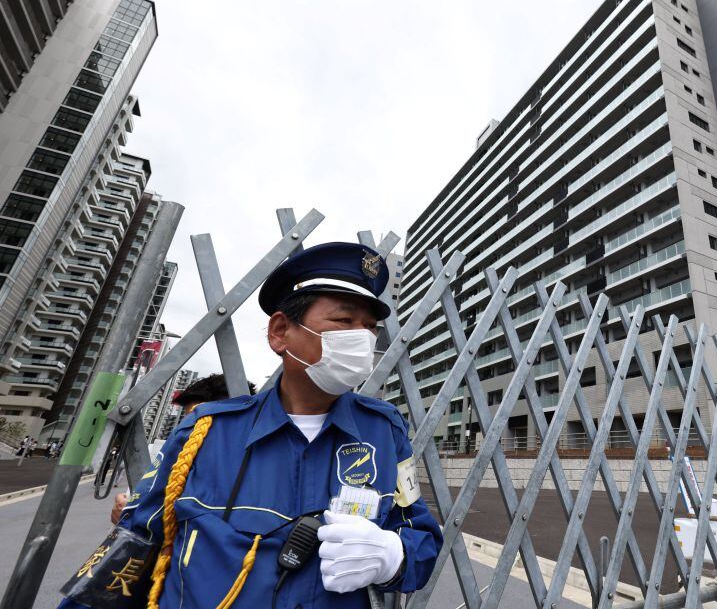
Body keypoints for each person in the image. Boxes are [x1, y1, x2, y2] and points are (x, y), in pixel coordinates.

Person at [61, 242, 442, 608]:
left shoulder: (384, 432)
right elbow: (132, 545)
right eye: (343, 321)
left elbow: (422, 540)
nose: (361, 339)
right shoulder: (205, 432)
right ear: (280, 333)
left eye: (370, 328)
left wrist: (395, 557)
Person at [109, 374, 247, 524]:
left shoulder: (241, 475)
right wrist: (128, 510)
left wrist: (134, 520)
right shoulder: (175, 454)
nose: (189, 430)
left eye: (199, 422)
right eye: (188, 420)